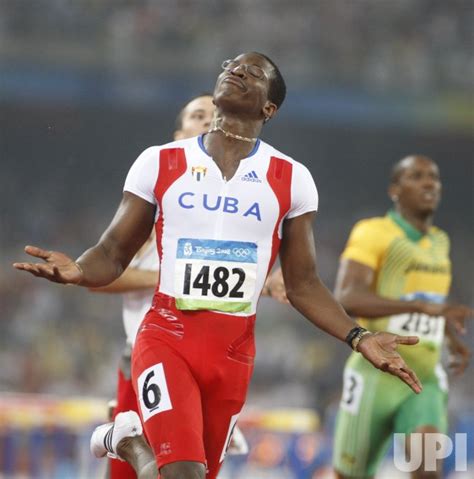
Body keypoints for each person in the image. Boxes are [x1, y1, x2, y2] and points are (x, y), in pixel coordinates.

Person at [14, 52, 423, 479]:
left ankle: (125, 439)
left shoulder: (291, 178)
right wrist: (78, 270)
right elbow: (114, 252)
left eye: (254, 71)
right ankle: (131, 443)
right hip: (165, 336)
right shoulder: (159, 162)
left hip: (233, 354)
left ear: (270, 108)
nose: (237, 70)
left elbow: (303, 284)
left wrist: (358, 336)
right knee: (182, 474)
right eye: (231, 65)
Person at [90, 93, 286, 479]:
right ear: (178, 133)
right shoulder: (157, 201)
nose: (207, 121)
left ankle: (127, 437)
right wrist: (167, 279)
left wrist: (263, 281)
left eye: (212, 115)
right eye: (197, 116)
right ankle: (123, 437)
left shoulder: (223, 204)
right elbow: (103, 270)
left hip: (207, 357)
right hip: (149, 353)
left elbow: (224, 277)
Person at [332, 155, 472, 479]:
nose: (429, 183)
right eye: (417, 176)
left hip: (424, 379)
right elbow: (348, 297)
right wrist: (419, 308)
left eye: (434, 177)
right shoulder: (373, 232)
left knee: (427, 469)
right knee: (350, 475)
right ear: (395, 189)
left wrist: (450, 339)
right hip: (375, 375)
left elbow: (431, 303)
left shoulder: (440, 241)